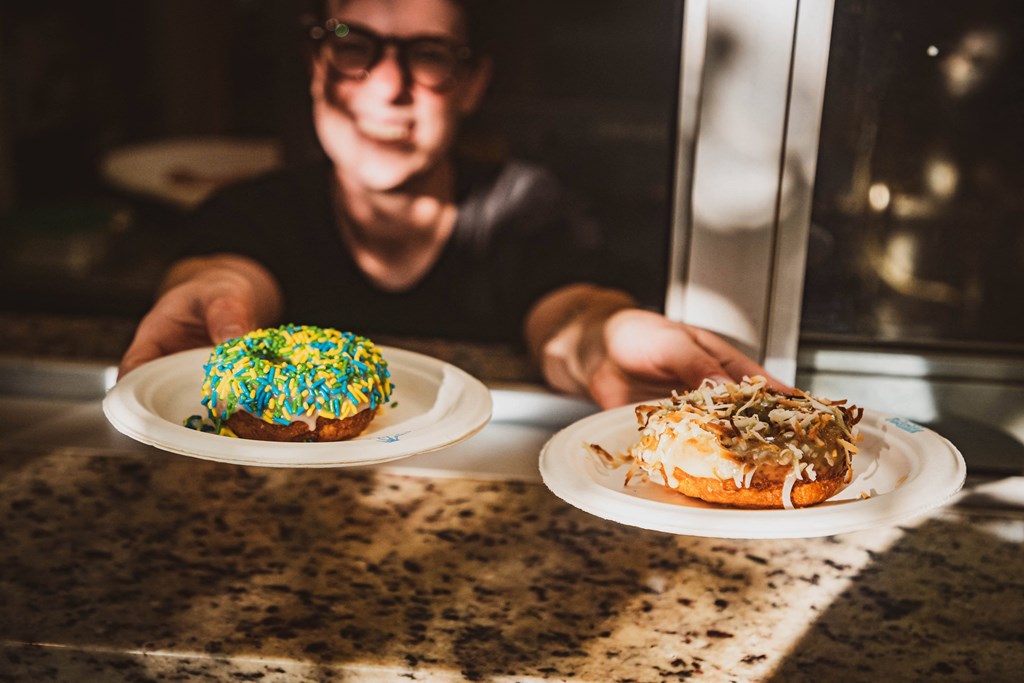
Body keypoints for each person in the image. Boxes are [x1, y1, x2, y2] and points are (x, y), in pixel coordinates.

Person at [118, 0, 777, 409]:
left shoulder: (525, 208)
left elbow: (569, 316)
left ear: (472, 84)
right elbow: (228, 275)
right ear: (317, 64)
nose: (389, 87)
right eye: (354, 45)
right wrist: (212, 297)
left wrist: (606, 336)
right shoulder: (254, 210)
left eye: (429, 55)